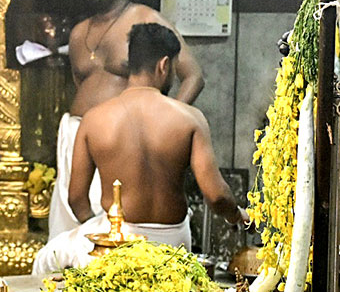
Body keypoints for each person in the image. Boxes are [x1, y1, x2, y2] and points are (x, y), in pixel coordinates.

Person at [34, 23, 244, 273]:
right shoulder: (190, 118)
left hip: (115, 243)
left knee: (46, 261)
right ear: (164, 65)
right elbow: (217, 195)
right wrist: (236, 215)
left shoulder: (93, 119)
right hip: (172, 244)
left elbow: (76, 198)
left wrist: (102, 239)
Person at [48, 0, 203, 238]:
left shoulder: (145, 19)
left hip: (119, 139)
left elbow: (193, 75)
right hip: (77, 136)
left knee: (119, 230)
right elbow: (81, 86)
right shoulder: (79, 32)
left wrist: (167, 119)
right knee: (68, 232)